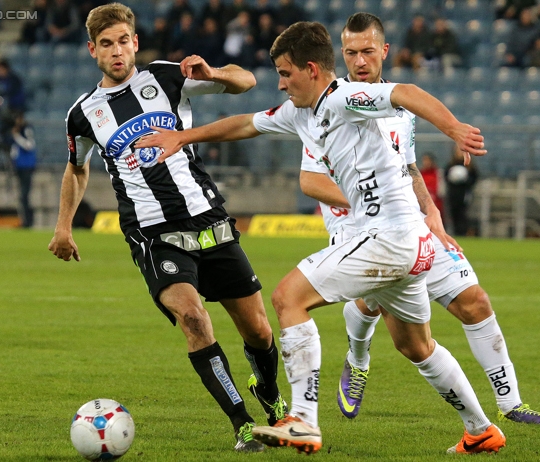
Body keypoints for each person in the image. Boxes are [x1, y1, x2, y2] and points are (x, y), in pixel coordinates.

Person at [135, 20, 506, 455]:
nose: (279, 83)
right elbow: (244, 124)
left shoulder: (347, 97)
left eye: (286, 73)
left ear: (312, 69)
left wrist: (453, 128)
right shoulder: (300, 110)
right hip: (408, 243)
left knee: (288, 298)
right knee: (416, 344)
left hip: (391, 236)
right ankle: (480, 429)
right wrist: (183, 136)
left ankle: (304, 422)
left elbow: (405, 93)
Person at [47, 3, 287, 452]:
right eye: (106, 44)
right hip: (152, 233)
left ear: (134, 42)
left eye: (123, 41)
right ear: (92, 51)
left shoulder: (166, 76)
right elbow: (76, 168)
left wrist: (214, 73)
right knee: (194, 318)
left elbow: (247, 82)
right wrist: (64, 227)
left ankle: (271, 396)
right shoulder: (83, 114)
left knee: (258, 330)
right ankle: (242, 424)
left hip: (209, 219)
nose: (117, 52)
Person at [298, 12, 540, 432]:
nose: (359, 61)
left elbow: (407, 169)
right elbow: (310, 180)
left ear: (384, 51)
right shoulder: (328, 106)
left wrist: (432, 214)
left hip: (411, 223)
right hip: (357, 229)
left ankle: (511, 403)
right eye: (351, 52)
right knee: (405, 338)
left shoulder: (399, 108)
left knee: (476, 302)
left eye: (367, 51)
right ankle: (358, 359)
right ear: (342, 54)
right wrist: (365, 201)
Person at [10, 112, 37, 228]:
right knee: (22, 196)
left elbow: (29, 145)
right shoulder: (20, 131)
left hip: (26, 166)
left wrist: (16, 136)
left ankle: (28, 221)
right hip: (20, 166)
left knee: (24, 195)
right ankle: (25, 220)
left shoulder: (26, 130)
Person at [445, 145, 478, 236]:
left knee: (463, 214)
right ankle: (455, 232)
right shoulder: (451, 165)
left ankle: (464, 232)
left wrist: (466, 181)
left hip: (463, 194)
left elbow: (474, 178)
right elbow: (446, 177)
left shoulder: (469, 166)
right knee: (453, 214)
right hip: (452, 194)